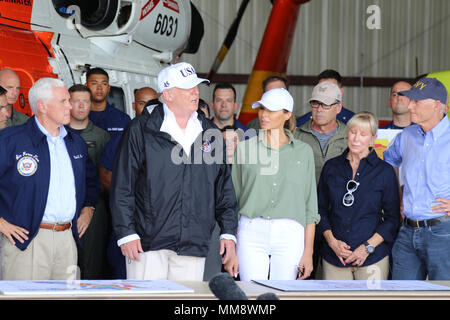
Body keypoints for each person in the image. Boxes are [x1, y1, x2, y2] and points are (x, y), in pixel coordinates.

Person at [110, 62, 239, 281]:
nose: (195, 92)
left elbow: (223, 187)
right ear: (168, 94)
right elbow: (123, 185)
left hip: (193, 242)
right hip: (147, 243)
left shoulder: (210, 132)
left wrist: (228, 232)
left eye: (196, 86)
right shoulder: (141, 129)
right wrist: (126, 233)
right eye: (188, 87)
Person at [0, 77, 100, 280]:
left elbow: (91, 180)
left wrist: (89, 208)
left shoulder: (75, 143)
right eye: (63, 101)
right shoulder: (10, 140)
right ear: (42, 106)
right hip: (27, 241)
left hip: (67, 239)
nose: (70, 106)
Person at [232, 88, 319, 281]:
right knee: (253, 296)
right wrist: (232, 245)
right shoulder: (245, 149)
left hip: (290, 233)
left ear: (287, 114)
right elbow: (233, 199)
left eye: (271, 110)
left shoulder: (303, 152)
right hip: (250, 230)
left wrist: (308, 252)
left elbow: (310, 206)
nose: (263, 114)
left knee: (285, 294)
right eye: (262, 109)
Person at [317, 111, 400, 280]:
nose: (356, 139)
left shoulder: (384, 172)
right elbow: (319, 210)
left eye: (363, 134)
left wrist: (367, 247)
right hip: (335, 256)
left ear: (372, 138)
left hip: (372, 257)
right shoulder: (332, 167)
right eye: (353, 132)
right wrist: (333, 242)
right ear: (347, 134)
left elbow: (392, 219)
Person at [384, 77, 450, 280]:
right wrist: (398, 195)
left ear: (437, 105)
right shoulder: (406, 135)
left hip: (443, 232)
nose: (409, 105)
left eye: (416, 101)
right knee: (401, 295)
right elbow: (389, 162)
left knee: (444, 293)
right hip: (407, 232)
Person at [66, 84, 111, 279]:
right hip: (65, 206)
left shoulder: (102, 136)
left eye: (86, 102)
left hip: (94, 207)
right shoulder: (59, 135)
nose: (82, 106)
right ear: (68, 104)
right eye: (77, 102)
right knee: (66, 264)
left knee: (92, 263)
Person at [295, 81, 348, 184]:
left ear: (338, 107)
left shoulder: (350, 137)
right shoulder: (296, 136)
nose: (319, 109)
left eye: (325, 104)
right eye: (315, 103)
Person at [85, 67, 131, 139]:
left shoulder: (123, 119)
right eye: (94, 83)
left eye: (104, 84)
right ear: (86, 86)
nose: (99, 88)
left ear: (108, 88)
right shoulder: (78, 118)